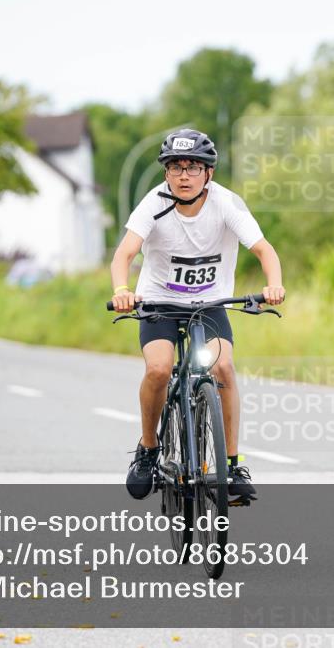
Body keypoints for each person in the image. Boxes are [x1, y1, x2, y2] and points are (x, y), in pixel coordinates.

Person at [110, 128, 285, 502]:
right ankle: (148, 449)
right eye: (175, 168)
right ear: (166, 174)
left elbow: (264, 250)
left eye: (193, 167)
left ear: (209, 173)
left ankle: (232, 465)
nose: (184, 176)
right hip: (159, 302)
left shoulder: (227, 204)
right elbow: (124, 254)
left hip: (210, 304)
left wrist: (274, 285)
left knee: (222, 369)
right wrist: (123, 291)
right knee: (159, 369)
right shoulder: (152, 203)